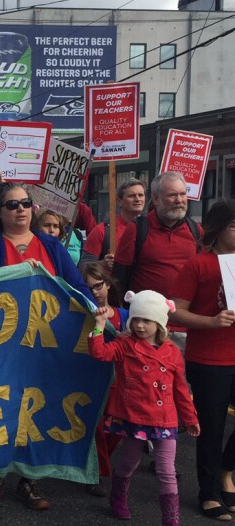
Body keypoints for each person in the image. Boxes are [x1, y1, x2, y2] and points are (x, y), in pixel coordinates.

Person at [0, 182, 92, 510]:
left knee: (38, 408)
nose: (21, 209)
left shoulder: (51, 246)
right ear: (0, 212)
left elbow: (76, 286)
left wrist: (97, 309)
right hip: (3, 344)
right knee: (3, 405)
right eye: (12, 205)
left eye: (26, 203)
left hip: (44, 345)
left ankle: (30, 480)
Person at [90, 290, 199, 526]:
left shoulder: (171, 352)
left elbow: (180, 389)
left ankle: (171, 520)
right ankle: (118, 498)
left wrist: (190, 418)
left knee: (166, 471)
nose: (140, 326)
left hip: (165, 419)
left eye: (147, 321)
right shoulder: (124, 344)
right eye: (136, 319)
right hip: (134, 416)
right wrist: (98, 326)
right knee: (129, 461)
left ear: (160, 323)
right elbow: (99, 353)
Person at [169, 199, 235, 520]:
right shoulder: (199, 264)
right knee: (211, 427)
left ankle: (226, 469)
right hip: (210, 358)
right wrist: (211, 321)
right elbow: (177, 310)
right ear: (219, 230)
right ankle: (208, 493)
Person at [114, 171, 202, 350]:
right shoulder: (137, 229)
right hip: (146, 330)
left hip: (184, 330)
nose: (179, 200)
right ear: (156, 199)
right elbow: (118, 279)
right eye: (172, 195)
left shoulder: (196, 231)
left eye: (183, 194)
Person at [80, 261, 128, 497]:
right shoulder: (81, 313)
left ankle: (100, 466)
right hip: (91, 378)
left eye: (98, 286)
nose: (94, 292)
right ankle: (95, 473)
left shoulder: (125, 315)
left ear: (108, 285)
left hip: (120, 382)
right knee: (97, 428)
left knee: (116, 429)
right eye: (88, 288)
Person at [81, 178, 146, 268]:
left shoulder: (152, 228)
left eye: (141, 195)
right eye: (132, 196)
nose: (138, 199)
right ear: (120, 201)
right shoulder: (102, 230)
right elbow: (83, 266)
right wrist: (103, 264)